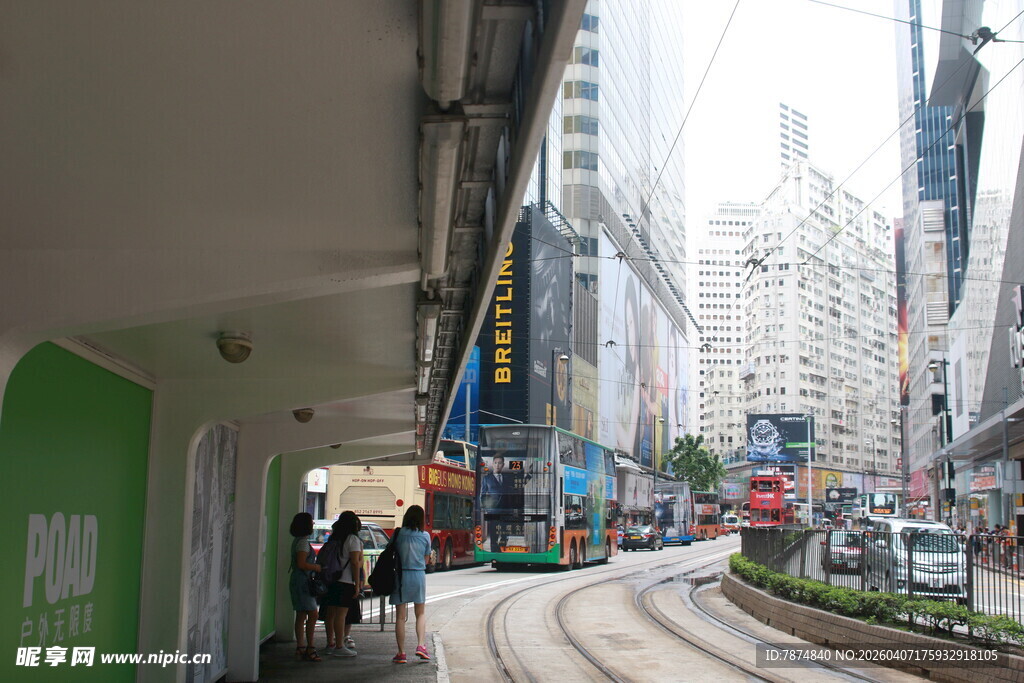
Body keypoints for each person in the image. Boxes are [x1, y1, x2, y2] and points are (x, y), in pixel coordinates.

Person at [390, 505, 432, 664]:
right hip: (418, 575)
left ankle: (401, 653)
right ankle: (421, 645)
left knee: (400, 616)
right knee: (420, 613)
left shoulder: (398, 533)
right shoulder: (425, 536)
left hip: (400, 575)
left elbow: (390, 553)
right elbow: (426, 560)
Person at [320, 511, 363, 657]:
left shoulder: (334, 538)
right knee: (341, 614)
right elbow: (355, 563)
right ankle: (339, 646)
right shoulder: (353, 540)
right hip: (345, 581)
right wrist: (357, 584)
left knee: (330, 613)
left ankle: (330, 643)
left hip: (331, 580)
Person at [288, 512, 323, 662]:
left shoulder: (297, 541)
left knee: (301, 614)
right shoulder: (303, 543)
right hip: (303, 581)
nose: (313, 524)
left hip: (297, 580)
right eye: (311, 522)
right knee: (313, 614)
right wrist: (316, 567)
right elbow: (302, 564)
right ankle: (310, 647)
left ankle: (301, 647)